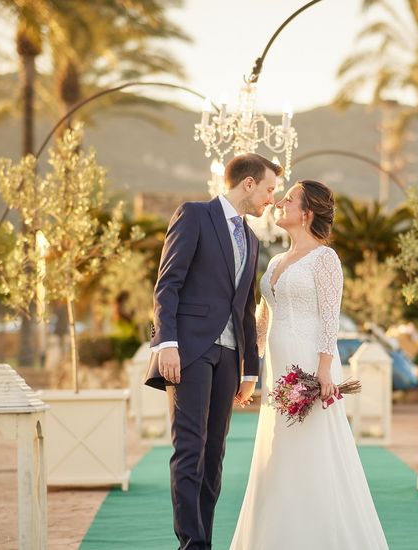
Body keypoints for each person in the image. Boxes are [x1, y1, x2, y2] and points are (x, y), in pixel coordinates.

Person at [230, 180, 389, 550]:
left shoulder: (325, 259)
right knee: (278, 447)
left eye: (289, 199)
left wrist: (324, 370)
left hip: (307, 366)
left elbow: (330, 319)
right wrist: (247, 368)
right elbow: (263, 320)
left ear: (307, 213)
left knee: (312, 449)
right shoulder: (275, 261)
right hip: (276, 369)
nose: (280, 203)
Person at [145, 153, 280, 550]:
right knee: (189, 449)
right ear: (249, 184)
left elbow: (245, 306)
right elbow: (167, 284)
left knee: (215, 455)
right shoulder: (194, 215)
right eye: (270, 189)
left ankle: (202, 538)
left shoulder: (253, 240)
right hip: (187, 350)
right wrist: (166, 343)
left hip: (227, 358)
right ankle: (193, 545)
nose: (272, 198)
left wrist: (249, 371)